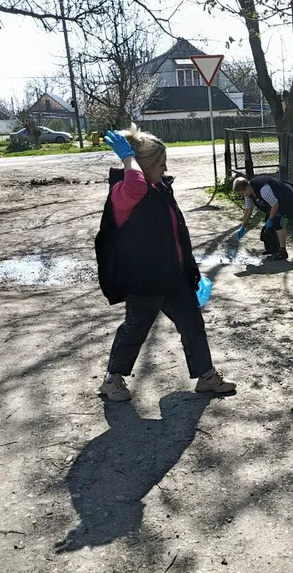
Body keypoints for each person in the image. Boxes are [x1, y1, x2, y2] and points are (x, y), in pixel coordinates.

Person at [94, 126, 236, 402]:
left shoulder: (159, 188)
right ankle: (111, 380)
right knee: (135, 329)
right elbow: (136, 184)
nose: (165, 168)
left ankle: (206, 376)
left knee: (192, 324)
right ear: (143, 166)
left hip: (174, 276)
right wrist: (127, 158)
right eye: (160, 164)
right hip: (144, 280)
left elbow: (175, 231)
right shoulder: (123, 192)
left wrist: (189, 268)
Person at [232, 175, 293, 261]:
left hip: (287, 198)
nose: (242, 195)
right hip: (276, 202)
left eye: (242, 193)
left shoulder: (263, 189)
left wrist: (270, 219)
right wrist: (243, 227)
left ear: (247, 188)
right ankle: (273, 249)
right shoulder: (248, 194)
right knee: (268, 224)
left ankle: (283, 252)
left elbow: (275, 205)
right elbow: (248, 210)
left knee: (277, 222)